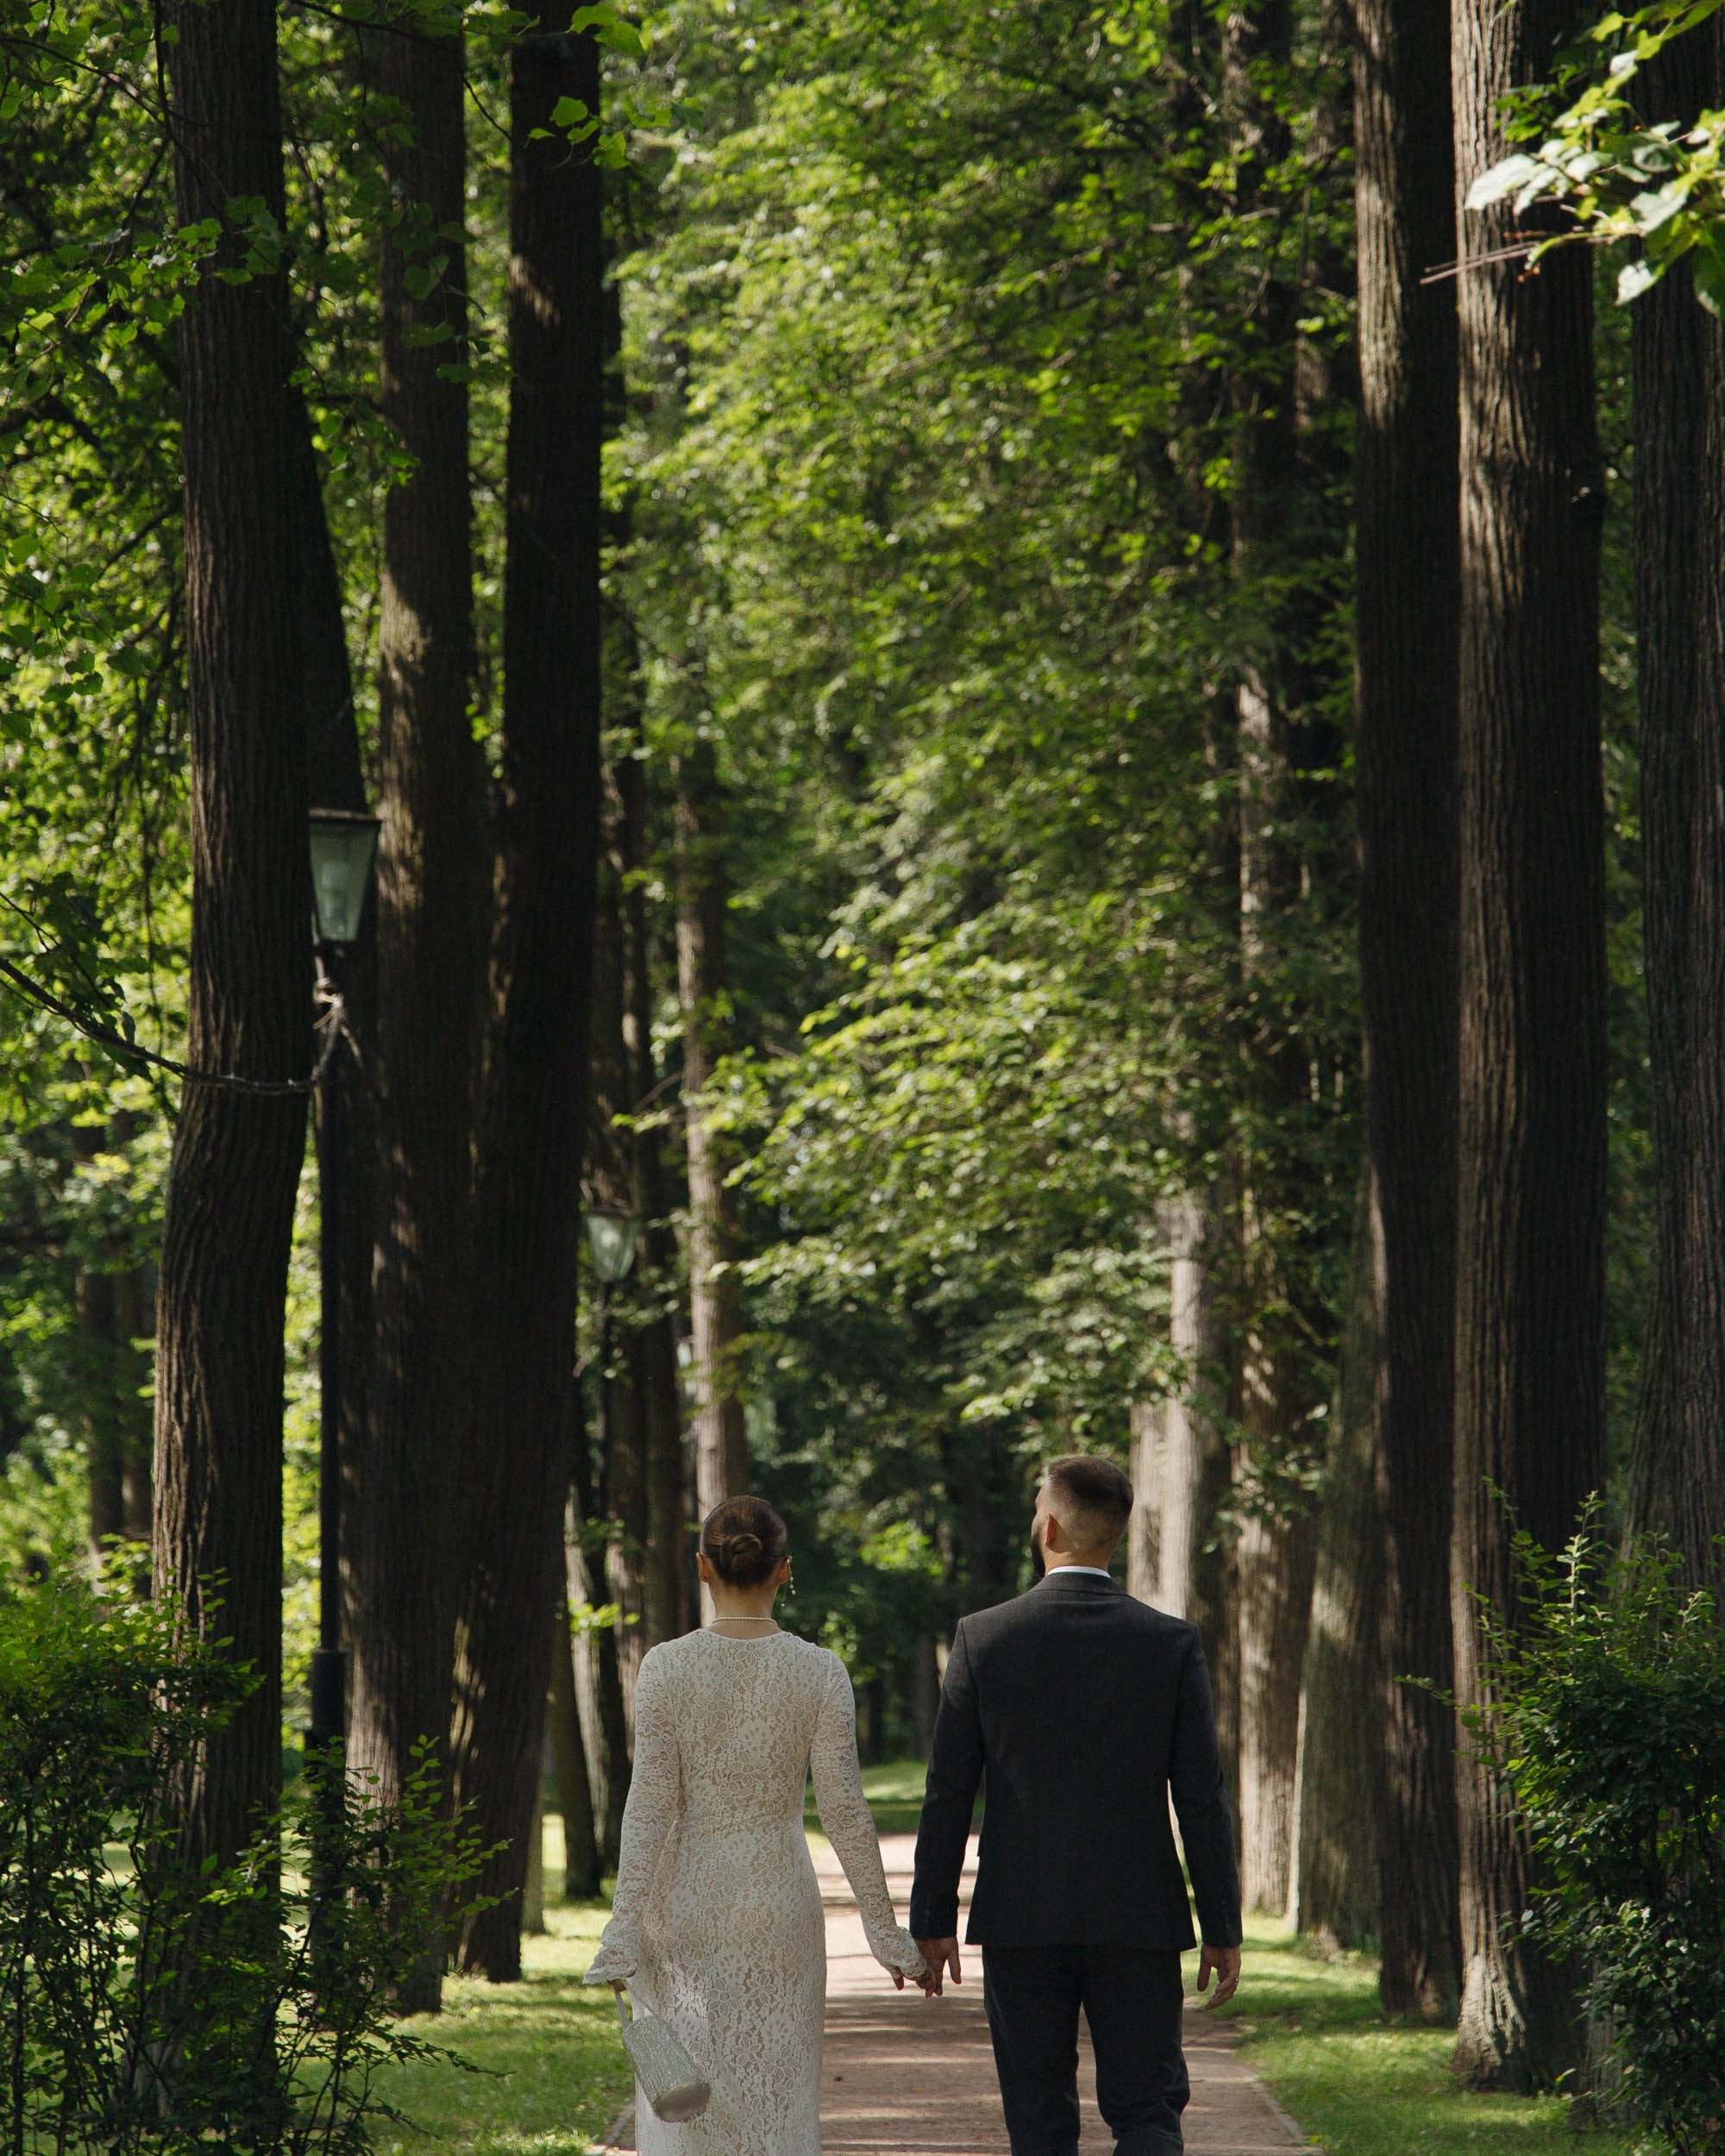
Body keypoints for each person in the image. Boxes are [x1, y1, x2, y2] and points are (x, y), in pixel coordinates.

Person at [910, 1455, 1242, 2156]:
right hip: (1139, 1914)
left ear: (1050, 1524)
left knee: (1038, 2121)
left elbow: (948, 1791)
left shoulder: (983, 1637)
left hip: (1021, 1913)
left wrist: (933, 1918)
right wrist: (1222, 1925)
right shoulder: (1170, 1643)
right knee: (1148, 2113)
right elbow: (1202, 1798)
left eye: (1037, 1506)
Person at [584, 1495, 930, 2153]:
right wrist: (883, 1932)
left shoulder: (666, 1667)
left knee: (686, 2106)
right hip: (779, 1909)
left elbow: (650, 1801)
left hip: (682, 1904)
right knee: (779, 2103)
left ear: (703, 1568)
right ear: (783, 1571)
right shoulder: (819, 1671)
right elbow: (845, 1809)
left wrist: (623, 1925)